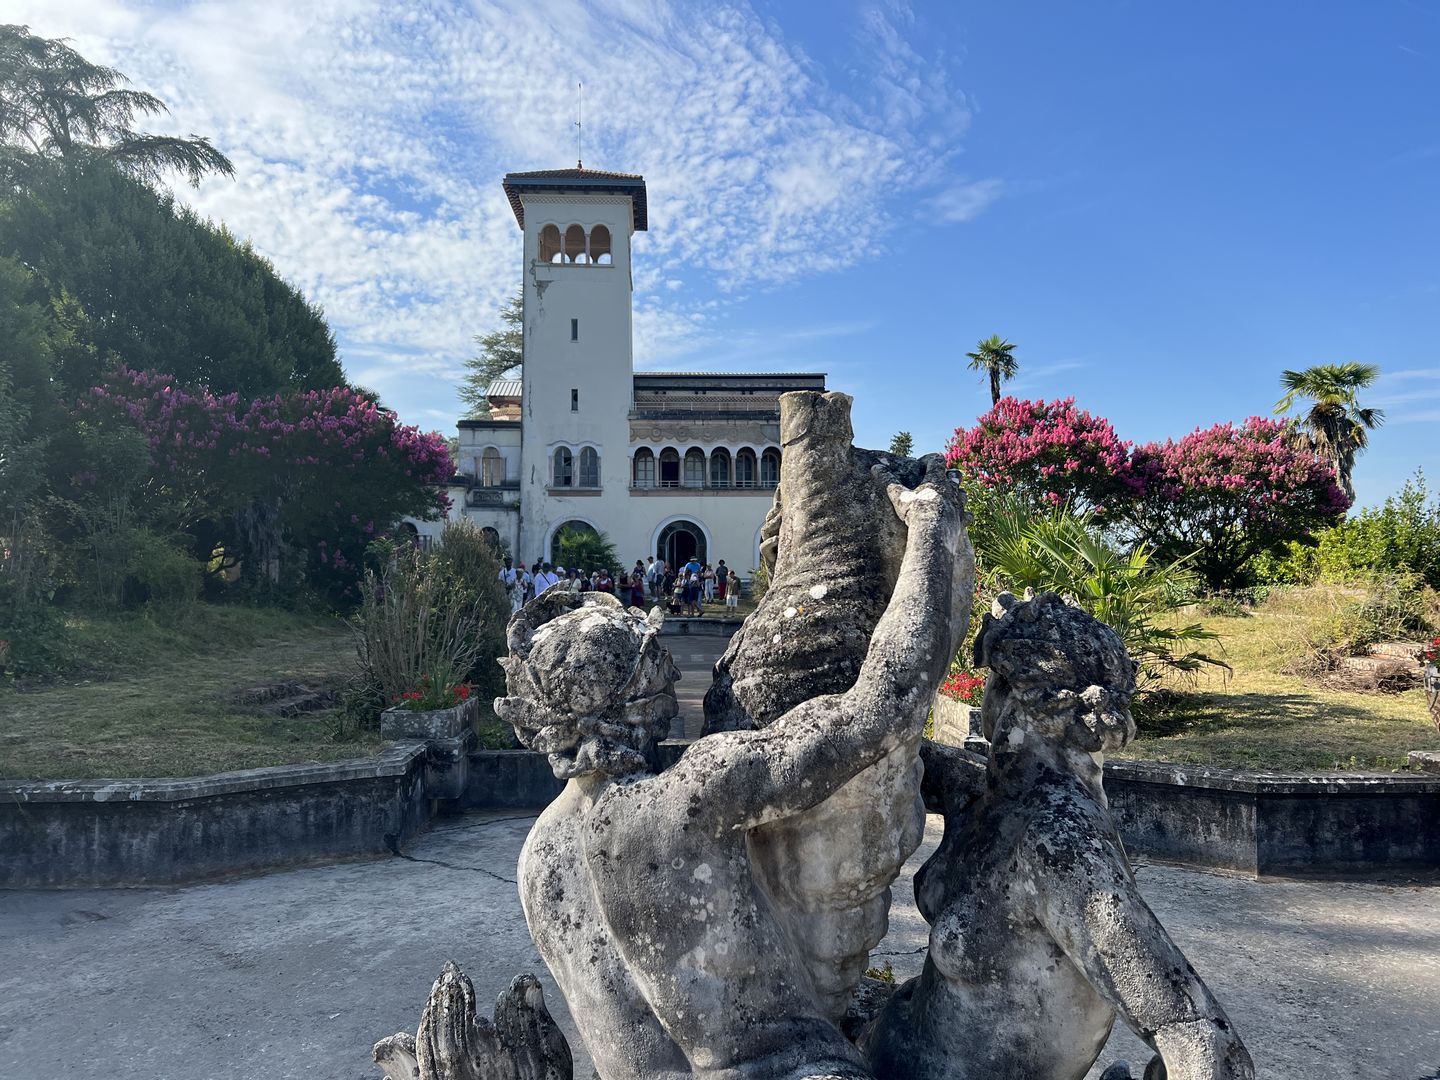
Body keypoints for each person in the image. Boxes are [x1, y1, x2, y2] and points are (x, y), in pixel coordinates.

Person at [494, 469, 963, 1080]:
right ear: (655, 696)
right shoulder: (692, 794)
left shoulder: (537, 858)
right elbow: (886, 703)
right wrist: (929, 535)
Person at [863, 592, 1254, 1080]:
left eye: (990, 682)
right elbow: (880, 754)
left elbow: (1200, 1039)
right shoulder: (992, 798)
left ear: (1010, 695)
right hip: (881, 1046)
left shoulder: (1057, 845)